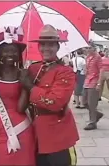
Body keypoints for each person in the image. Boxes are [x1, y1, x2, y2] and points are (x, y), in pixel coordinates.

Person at [19, 24, 79, 166]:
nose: (46, 48)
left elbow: (55, 102)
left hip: (58, 137)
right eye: (43, 44)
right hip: (36, 135)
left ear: (58, 47)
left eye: (51, 44)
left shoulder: (65, 72)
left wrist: (30, 86)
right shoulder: (33, 68)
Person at [0, 26, 35, 165]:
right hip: (0, 129)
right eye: (6, 50)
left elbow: (21, 108)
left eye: (14, 51)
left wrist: (25, 85)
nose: (10, 54)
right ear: (0, 53)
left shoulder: (23, 74)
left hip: (23, 128)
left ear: (19, 54)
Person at [83, 42, 104, 130]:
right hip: (87, 80)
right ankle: (97, 114)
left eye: (89, 48)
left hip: (94, 81)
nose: (87, 50)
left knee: (92, 104)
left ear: (93, 48)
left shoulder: (97, 57)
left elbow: (101, 70)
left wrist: (99, 83)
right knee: (84, 102)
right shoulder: (88, 57)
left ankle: (92, 122)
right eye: (86, 48)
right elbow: (87, 69)